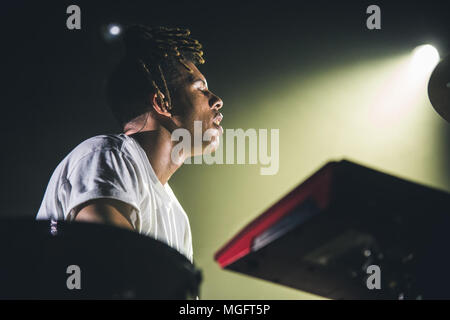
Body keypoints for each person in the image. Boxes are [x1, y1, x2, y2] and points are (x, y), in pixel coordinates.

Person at [36, 25, 224, 263]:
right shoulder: (106, 157)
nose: (217, 101)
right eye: (201, 89)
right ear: (162, 102)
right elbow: (116, 268)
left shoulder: (177, 218)